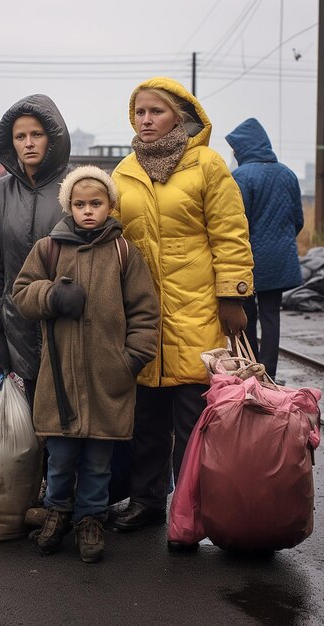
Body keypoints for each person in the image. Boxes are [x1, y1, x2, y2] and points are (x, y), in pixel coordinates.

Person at [110, 76, 254, 536]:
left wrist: (233, 295)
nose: (146, 120)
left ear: (180, 117)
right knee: (146, 421)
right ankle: (149, 502)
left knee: (193, 423)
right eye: (140, 112)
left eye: (156, 111)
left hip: (197, 314)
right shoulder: (123, 173)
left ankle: (190, 511)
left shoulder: (208, 166)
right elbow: (110, 239)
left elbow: (230, 234)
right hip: (143, 318)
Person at [12, 166, 159, 563]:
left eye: (96, 204)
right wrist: (51, 298)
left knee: (98, 461)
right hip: (61, 379)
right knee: (59, 457)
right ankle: (57, 512)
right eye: (80, 204)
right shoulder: (49, 249)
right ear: (69, 207)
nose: (88, 211)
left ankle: (90, 519)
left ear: (110, 205)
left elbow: (145, 313)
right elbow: (22, 293)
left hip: (107, 380)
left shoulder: (124, 253)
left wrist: (130, 361)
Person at [0, 94, 71, 407]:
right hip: (17, 328)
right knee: (28, 430)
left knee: (68, 435)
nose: (28, 143)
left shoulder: (77, 189)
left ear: (53, 138)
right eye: (20, 136)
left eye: (37, 134)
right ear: (11, 142)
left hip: (70, 329)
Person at [225, 118, 304, 381]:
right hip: (280, 259)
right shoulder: (288, 174)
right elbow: (298, 219)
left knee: (246, 314)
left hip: (249, 259)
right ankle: (269, 371)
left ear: (244, 148)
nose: (234, 154)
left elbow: (236, 222)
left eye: (235, 149)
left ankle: (252, 369)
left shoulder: (240, 177)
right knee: (271, 316)